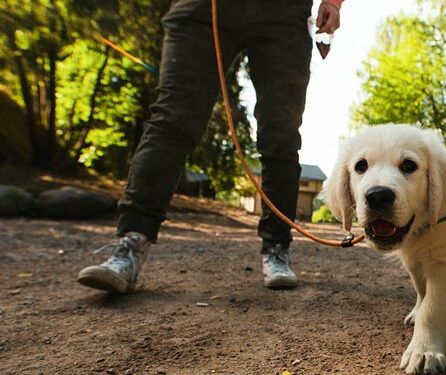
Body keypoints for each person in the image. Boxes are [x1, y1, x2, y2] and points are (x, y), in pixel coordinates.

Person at [77, 0, 342, 293]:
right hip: (201, 9)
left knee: (281, 133)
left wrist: (332, 1)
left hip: (283, 13)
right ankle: (131, 242)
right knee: (172, 119)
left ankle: (277, 248)